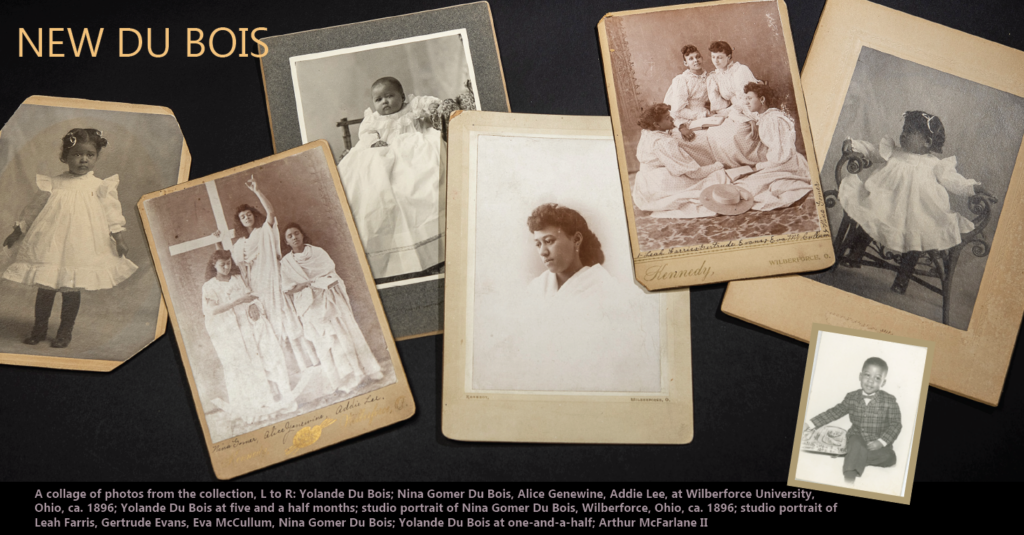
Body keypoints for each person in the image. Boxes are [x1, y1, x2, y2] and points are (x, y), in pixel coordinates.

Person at [486, 204, 660, 392]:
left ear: (576, 239)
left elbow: (612, 361)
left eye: (549, 241)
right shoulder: (537, 287)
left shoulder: (605, 289)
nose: (543, 252)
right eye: (538, 244)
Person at [2, 128, 137, 348]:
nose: (83, 159)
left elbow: (112, 213)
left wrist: (119, 238)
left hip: (80, 243)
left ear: (96, 157)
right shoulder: (53, 183)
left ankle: (65, 332)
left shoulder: (99, 186)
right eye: (76, 154)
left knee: (71, 288)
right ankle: (39, 328)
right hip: (50, 242)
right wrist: (18, 230)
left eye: (89, 155)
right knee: (46, 286)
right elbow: (33, 209)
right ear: (65, 157)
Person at [838, 111, 988, 293]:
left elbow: (953, 180)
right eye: (904, 129)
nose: (904, 134)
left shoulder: (934, 164)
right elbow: (872, 151)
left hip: (918, 211)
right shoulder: (893, 151)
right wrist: (854, 145)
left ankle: (902, 279)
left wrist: (972, 187)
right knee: (870, 215)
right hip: (885, 202)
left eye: (910, 131)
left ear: (927, 142)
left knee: (917, 238)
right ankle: (855, 254)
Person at [336, 76, 445, 280]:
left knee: (413, 181)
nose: (384, 102)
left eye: (389, 96)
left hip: (413, 150)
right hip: (384, 151)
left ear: (402, 96)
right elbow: (366, 134)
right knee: (369, 174)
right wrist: (374, 141)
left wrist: (431, 107)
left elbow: (430, 102)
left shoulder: (412, 105)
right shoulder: (373, 119)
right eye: (378, 99)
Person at [224, 177, 312, 389]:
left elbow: (271, 214)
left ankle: (307, 364)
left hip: (271, 277)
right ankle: (287, 373)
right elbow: (234, 262)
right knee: (269, 323)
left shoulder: (264, 231)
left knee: (284, 315)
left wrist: (257, 191)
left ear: (254, 216)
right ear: (239, 221)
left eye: (248, 214)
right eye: (242, 217)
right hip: (256, 282)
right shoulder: (241, 244)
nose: (246, 218)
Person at [280, 224, 384, 395]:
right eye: (289, 236)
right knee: (326, 342)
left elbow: (330, 273)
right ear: (286, 241)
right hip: (309, 305)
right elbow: (288, 288)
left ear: (302, 234)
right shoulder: (286, 263)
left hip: (330, 298)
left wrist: (318, 284)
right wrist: (306, 285)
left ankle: (366, 371)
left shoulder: (317, 252)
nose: (294, 237)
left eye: (296, 233)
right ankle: (344, 380)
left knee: (345, 334)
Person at [201, 250, 289, 424]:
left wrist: (253, 305)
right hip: (229, 332)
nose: (226, 267)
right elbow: (212, 310)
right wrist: (238, 301)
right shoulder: (209, 286)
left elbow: (251, 298)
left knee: (255, 364)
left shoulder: (237, 279)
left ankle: (265, 406)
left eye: (228, 263)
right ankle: (249, 410)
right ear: (214, 265)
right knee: (239, 368)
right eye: (222, 265)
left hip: (246, 327)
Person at [804, 357, 901, 484]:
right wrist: (809, 423)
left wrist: (881, 442)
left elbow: (896, 425)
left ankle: (852, 457)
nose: (871, 381)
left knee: (890, 458)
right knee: (856, 444)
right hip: (857, 437)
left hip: (878, 442)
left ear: (883, 382)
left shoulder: (889, 401)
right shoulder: (852, 397)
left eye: (877, 378)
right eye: (867, 375)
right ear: (860, 376)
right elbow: (834, 412)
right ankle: (849, 479)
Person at [632, 103, 729, 217]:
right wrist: (717, 166)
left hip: (644, 181)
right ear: (656, 124)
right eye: (668, 118)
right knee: (714, 178)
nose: (672, 119)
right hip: (659, 183)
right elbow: (693, 173)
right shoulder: (664, 143)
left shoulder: (647, 132)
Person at [732, 82, 813, 211]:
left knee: (747, 187)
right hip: (780, 160)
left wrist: (760, 166)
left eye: (749, 98)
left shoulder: (774, 120)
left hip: (787, 163)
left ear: (762, 99)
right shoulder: (764, 116)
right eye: (745, 99)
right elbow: (736, 111)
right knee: (742, 182)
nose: (746, 102)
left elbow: (782, 154)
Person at [704, 41, 761, 168]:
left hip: (750, 110)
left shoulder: (740, 70)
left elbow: (748, 98)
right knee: (714, 131)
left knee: (733, 134)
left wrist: (751, 119)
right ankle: (731, 166)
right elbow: (720, 104)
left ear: (729, 57)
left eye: (720, 57)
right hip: (734, 112)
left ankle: (749, 163)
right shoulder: (715, 76)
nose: (716, 61)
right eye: (713, 57)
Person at [663, 45, 711, 131]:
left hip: (705, 114)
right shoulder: (681, 80)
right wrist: (701, 115)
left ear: (702, 58)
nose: (696, 60)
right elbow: (677, 110)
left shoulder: (709, 77)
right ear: (686, 63)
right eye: (691, 59)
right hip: (685, 119)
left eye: (698, 57)